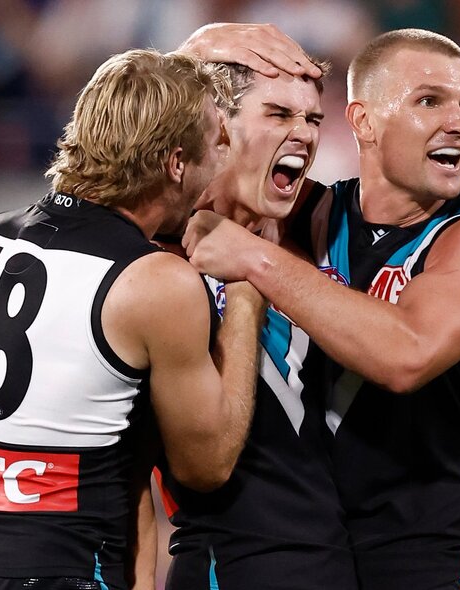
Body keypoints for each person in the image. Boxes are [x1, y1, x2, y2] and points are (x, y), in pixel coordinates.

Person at [179, 25, 460, 590]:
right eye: (430, 101)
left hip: (425, 573)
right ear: (363, 122)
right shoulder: (309, 215)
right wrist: (201, 51)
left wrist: (255, 260)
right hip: (311, 566)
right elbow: (199, 169)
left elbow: (407, 354)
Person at [0, 48, 268, 590]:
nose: (226, 156)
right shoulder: (155, 281)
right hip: (58, 569)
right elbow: (207, 464)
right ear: (176, 163)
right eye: (217, 141)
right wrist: (246, 291)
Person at [152, 59, 360, 589]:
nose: (304, 134)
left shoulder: (324, 239)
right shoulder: (156, 265)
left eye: (313, 119)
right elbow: (196, 466)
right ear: (218, 128)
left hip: (334, 567)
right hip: (230, 566)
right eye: (279, 114)